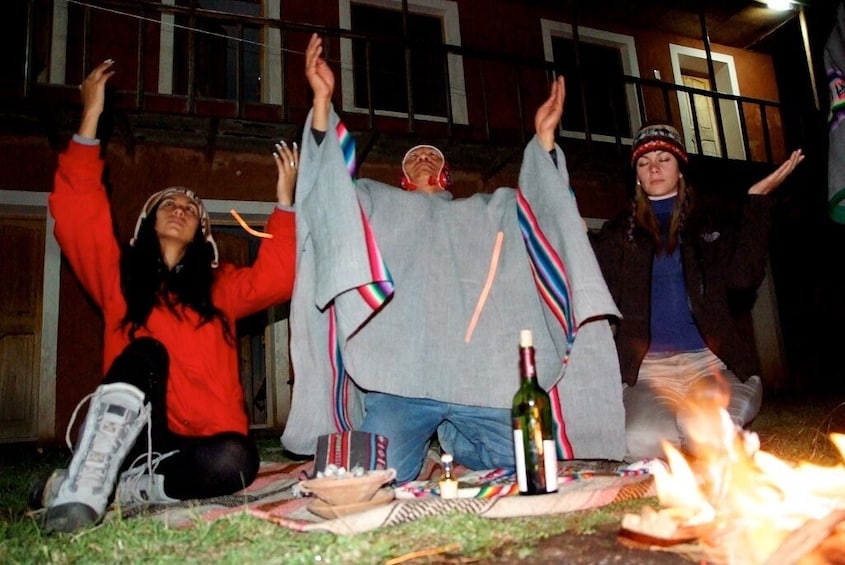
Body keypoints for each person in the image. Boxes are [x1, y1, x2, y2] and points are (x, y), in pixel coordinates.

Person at [281, 33, 626, 484]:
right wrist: (323, 103)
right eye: (415, 157)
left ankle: (453, 438)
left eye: (432, 155)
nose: (424, 157)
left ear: (446, 173)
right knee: (367, 476)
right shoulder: (374, 201)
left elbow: (540, 213)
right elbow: (330, 199)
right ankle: (423, 432)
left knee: (533, 465)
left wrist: (542, 142)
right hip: (399, 383)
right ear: (403, 177)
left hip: (480, 385)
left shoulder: (487, 210)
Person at [34, 59, 298, 533]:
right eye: (168, 205)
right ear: (147, 223)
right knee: (147, 350)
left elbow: (278, 279)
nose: (180, 210)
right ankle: (88, 482)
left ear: (201, 232)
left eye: (190, 209)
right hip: (132, 434)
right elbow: (77, 218)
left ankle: (127, 487)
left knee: (239, 460)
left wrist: (284, 204)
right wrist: (90, 121)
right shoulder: (119, 277)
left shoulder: (220, 288)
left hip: (189, 445)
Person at [589, 122, 804, 461]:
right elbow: (594, 284)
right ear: (637, 176)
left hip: (709, 364)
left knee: (704, 431)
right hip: (649, 372)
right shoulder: (619, 233)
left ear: (680, 169)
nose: (654, 168)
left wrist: (758, 202)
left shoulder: (710, 223)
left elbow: (743, 280)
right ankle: (685, 431)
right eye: (644, 163)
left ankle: (708, 427)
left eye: (664, 159)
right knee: (640, 442)